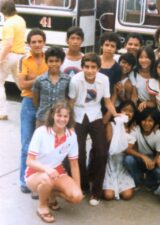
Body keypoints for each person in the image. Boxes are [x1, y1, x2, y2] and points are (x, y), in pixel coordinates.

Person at [68, 53, 121, 206]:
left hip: (95, 114)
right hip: (78, 114)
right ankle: (83, 186)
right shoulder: (75, 80)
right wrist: (69, 123)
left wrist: (115, 113)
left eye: (93, 67)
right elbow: (71, 102)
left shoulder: (104, 79)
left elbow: (107, 101)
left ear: (98, 68)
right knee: (79, 153)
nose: (90, 70)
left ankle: (96, 192)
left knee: (101, 151)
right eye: (87, 67)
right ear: (82, 67)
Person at [25, 101, 83, 223]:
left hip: (57, 172)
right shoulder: (41, 132)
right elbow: (29, 161)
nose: (62, 119)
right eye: (59, 115)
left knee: (76, 196)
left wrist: (78, 187)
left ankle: (51, 195)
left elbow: (74, 164)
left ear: (70, 117)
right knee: (47, 179)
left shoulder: (71, 135)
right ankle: (42, 206)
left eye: (65, 116)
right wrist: (47, 169)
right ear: (53, 115)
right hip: (35, 173)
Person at [18, 28, 48, 195]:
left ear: (44, 42)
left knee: (42, 146)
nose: (37, 44)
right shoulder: (24, 59)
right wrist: (40, 78)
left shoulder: (49, 58)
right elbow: (22, 85)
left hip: (45, 104)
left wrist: (31, 80)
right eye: (33, 42)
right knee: (26, 145)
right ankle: (24, 179)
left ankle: (39, 180)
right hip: (29, 103)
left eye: (40, 41)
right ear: (29, 44)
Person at [103, 100, 137, 200]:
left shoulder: (134, 130)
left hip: (122, 165)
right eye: (124, 110)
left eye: (130, 111)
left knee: (127, 196)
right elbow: (111, 146)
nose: (127, 113)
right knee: (108, 196)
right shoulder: (111, 125)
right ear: (118, 111)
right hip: (110, 163)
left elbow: (126, 150)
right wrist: (120, 128)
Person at [123, 107, 160, 191]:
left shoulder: (158, 133)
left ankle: (150, 183)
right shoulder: (136, 129)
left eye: (150, 121)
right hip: (139, 158)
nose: (146, 123)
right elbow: (127, 149)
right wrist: (142, 156)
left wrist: (153, 162)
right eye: (144, 120)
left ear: (155, 122)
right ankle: (137, 181)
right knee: (128, 159)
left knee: (159, 172)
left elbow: (158, 154)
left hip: (151, 159)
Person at [0, 1, 26, 120]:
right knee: (21, 84)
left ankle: (2, 112)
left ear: (3, 11)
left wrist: (1, 58)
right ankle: (36, 103)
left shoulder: (8, 24)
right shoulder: (21, 20)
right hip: (20, 56)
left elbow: (8, 43)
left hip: (9, 56)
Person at [32, 46, 70, 127]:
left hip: (60, 120)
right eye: (51, 61)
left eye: (57, 61)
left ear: (62, 62)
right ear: (46, 62)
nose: (54, 64)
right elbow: (35, 99)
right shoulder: (39, 80)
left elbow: (68, 98)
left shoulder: (67, 80)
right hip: (42, 119)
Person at [129, 46, 156, 111]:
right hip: (141, 106)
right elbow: (134, 96)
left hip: (156, 108)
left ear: (152, 59)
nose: (143, 60)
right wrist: (133, 110)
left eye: (147, 57)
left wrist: (148, 103)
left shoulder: (157, 74)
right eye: (141, 57)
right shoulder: (134, 74)